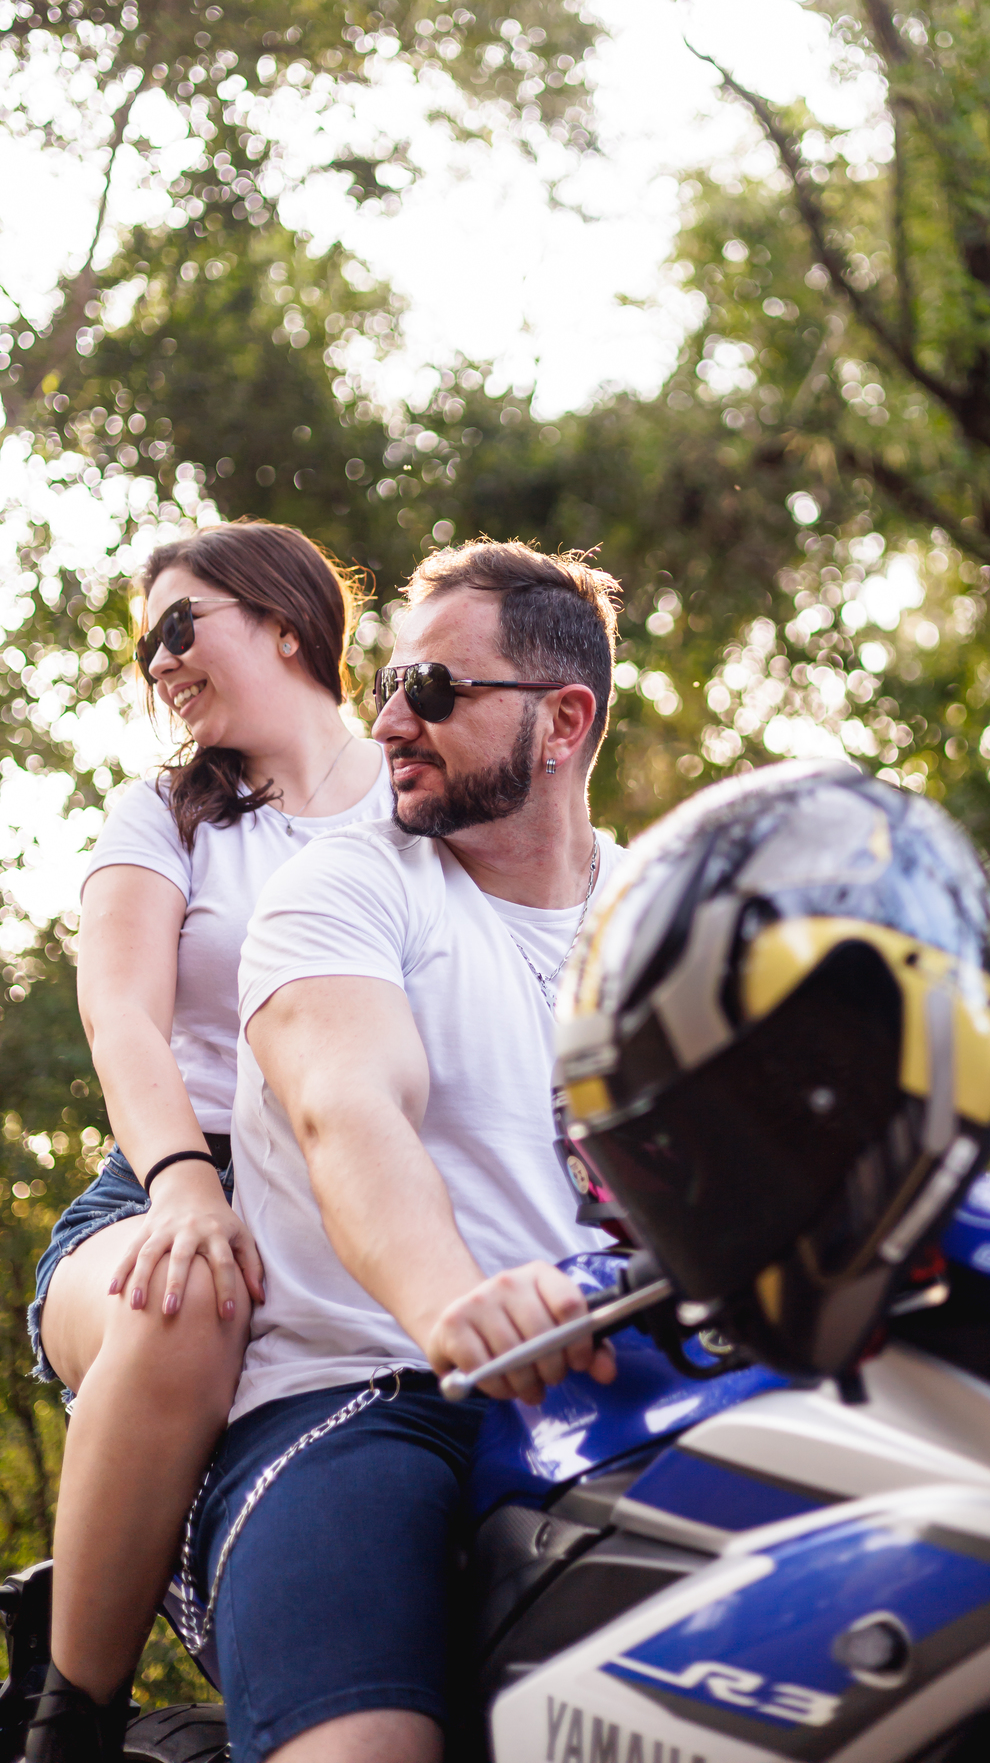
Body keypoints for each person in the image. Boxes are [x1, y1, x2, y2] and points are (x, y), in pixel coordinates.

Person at [186, 540, 622, 1763]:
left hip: (622, 1401)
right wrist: (457, 1305)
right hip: (370, 1396)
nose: (385, 721)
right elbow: (347, 1108)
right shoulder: (347, 887)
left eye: (432, 691)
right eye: (389, 683)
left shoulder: (665, 917)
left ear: (562, 721)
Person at [26, 521, 394, 1761]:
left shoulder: (418, 808)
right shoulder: (167, 814)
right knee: (185, 1294)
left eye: (180, 624)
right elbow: (119, 1012)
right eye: (146, 647)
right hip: (170, 1177)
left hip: (360, 1193)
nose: (159, 661)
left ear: (284, 621)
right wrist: (184, 1185)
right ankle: (70, 1712)